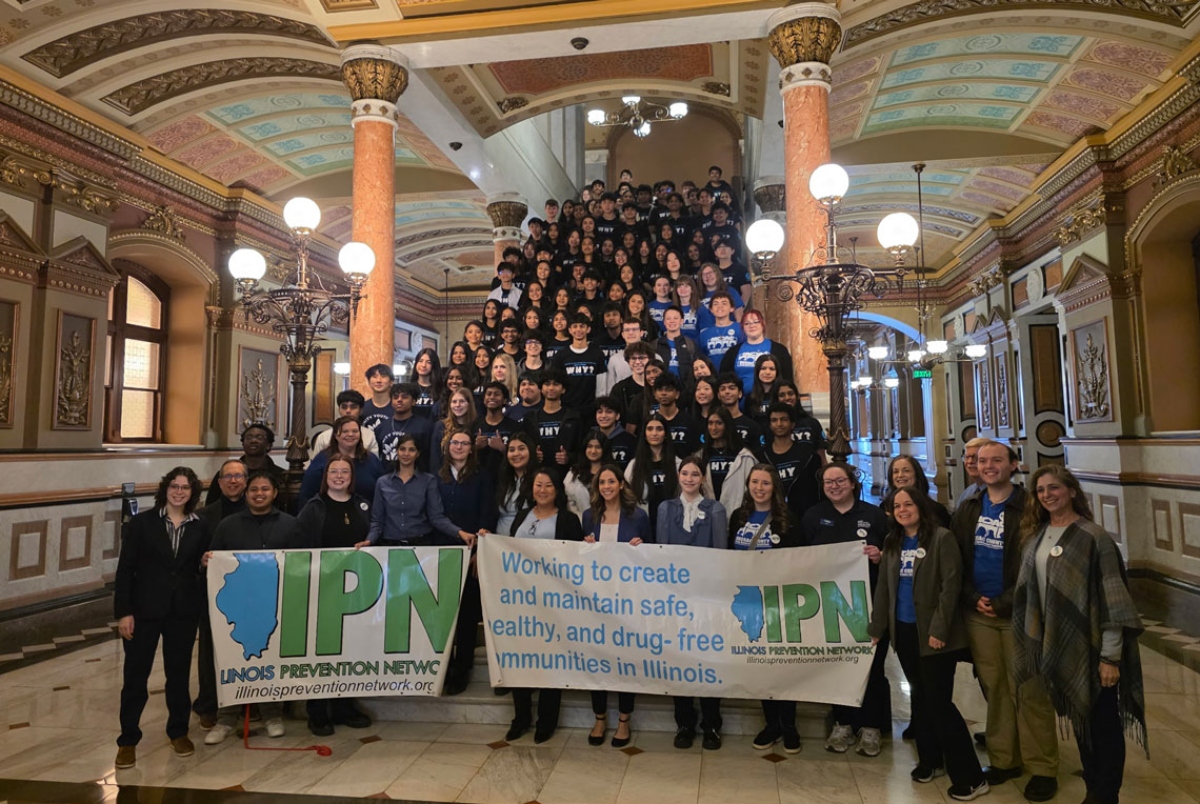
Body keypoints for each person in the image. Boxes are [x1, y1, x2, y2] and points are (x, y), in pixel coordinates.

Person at [1012, 465, 1146, 804]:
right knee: (1080, 721)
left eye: (1054, 487)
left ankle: (1106, 793)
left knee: (1102, 724)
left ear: (1072, 491)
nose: (1047, 495)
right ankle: (1093, 789)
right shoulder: (1037, 536)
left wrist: (1110, 658)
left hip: (1094, 648)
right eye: (1041, 490)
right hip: (1059, 646)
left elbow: (1112, 600)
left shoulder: (1093, 537)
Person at [951, 440, 1059, 800]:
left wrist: (1004, 601)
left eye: (997, 460)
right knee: (994, 688)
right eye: (982, 461)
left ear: (1014, 465)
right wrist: (972, 598)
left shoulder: (1030, 506)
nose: (988, 466)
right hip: (979, 612)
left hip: (1020, 611)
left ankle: (1042, 766)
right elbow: (957, 559)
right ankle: (1004, 759)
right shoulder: (969, 506)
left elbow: (1039, 563)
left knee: (1028, 689)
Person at [869, 487, 987, 801]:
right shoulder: (893, 542)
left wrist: (940, 629)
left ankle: (971, 776)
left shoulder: (941, 538)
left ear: (920, 506)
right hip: (904, 632)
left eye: (908, 504)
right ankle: (930, 760)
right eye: (897, 505)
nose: (903, 509)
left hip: (934, 635)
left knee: (939, 702)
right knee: (920, 698)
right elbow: (884, 589)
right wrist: (878, 626)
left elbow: (951, 587)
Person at [113, 467, 209, 770]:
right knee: (135, 677)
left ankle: (178, 731)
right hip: (144, 610)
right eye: (174, 486)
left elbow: (198, 566)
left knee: (178, 675)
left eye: (185, 488)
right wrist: (124, 612)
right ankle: (128, 739)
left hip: (182, 611)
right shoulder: (142, 524)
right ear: (165, 489)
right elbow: (125, 569)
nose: (179, 492)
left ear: (193, 493)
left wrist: (206, 562)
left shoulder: (200, 526)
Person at [204, 470, 302, 744]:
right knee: (231, 660)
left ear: (274, 494)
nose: (259, 494)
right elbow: (214, 560)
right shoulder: (228, 525)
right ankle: (226, 718)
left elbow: (300, 566)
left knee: (270, 659)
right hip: (237, 609)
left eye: (265, 490)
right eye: (254, 490)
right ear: (246, 494)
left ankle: (272, 714)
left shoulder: (290, 525)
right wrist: (208, 562)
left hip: (273, 607)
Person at [801, 463, 890, 758]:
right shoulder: (814, 516)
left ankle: (872, 726)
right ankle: (843, 722)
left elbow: (894, 555)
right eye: (828, 482)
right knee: (837, 665)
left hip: (868, 606)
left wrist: (880, 556)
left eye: (840, 480)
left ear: (852, 483)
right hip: (827, 605)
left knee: (872, 667)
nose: (834, 486)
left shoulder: (874, 515)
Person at [503, 468, 585, 742]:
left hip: (553, 605)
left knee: (550, 661)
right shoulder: (521, 517)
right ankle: (521, 718)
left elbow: (576, 561)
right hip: (520, 603)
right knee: (520, 661)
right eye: (538, 485)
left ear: (557, 491)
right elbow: (507, 551)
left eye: (548, 485)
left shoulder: (569, 520)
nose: (542, 490)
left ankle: (546, 721)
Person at [295, 457, 374, 736]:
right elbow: (299, 548)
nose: (339, 476)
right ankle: (317, 710)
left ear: (352, 476)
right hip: (322, 589)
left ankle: (344, 706)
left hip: (355, 591)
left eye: (345, 472)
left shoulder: (363, 505)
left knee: (349, 649)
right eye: (334, 471)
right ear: (325, 475)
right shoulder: (313, 508)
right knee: (322, 650)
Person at [729, 464, 803, 754]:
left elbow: (800, 561)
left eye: (766, 483)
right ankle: (771, 723)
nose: (759, 488)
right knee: (760, 665)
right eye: (755, 482)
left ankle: (789, 724)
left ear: (775, 488)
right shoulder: (739, 517)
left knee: (782, 666)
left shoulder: (788, 520)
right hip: (747, 603)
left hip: (779, 602)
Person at [658, 457, 729, 751]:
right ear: (678, 476)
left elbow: (720, 555)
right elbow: (662, 553)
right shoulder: (665, 508)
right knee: (679, 661)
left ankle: (711, 724)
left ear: (702, 478)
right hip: (675, 599)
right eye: (685, 473)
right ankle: (684, 723)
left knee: (707, 661)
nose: (689, 478)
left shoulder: (715, 509)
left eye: (695, 474)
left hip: (706, 598)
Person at [582, 465, 651, 747]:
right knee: (597, 660)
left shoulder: (639, 516)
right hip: (596, 600)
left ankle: (624, 720)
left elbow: (654, 553)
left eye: (612, 481)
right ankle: (599, 718)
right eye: (602, 482)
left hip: (628, 601)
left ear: (622, 484)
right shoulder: (589, 516)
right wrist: (584, 546)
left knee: (624, 662)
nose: (607, 486)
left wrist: (641, 546)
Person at [440, 430, 499, 695]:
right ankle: (442, 667)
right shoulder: (436, 476)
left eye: (464, 443)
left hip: (472, 551)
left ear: (471, 448)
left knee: (466, 615)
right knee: (444, 613)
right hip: (443, 553)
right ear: (447, 446)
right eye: (455, 442)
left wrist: (479, 550)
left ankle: (462, 669)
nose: (459, 447)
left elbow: (488, 512)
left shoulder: (481, 476)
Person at [192, 459, 246, 729]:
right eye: (228, 477)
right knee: (209, 649)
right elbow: (193, 555)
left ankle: (248, 702)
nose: (233, 481)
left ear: (245, 481)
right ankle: (208, 702)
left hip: (249, 595)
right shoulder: (204, 516)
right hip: (212, 593)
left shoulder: (257, 510)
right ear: (220, 482)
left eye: (238, 476)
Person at [364, 435, 476, 548]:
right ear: (397, 451)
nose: (406, 454)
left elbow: (437, 517)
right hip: (390, 546)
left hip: (421, 546)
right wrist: (369, 541)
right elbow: (377, 521)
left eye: (411, 450)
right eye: (402, 449)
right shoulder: (382, 482)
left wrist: (460, 533)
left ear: (418, 454)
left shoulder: (428, 481)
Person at [298, 416, 386, 508]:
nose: (350, 434)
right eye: (345, 431)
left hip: (365, 516)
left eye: (355, 431)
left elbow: (382, 491)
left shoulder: (371, 460)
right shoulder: (322, 459)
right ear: (336, 434)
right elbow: (307, 493)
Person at [764, 403, 822, 522]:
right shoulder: (762, 456)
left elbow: (817, 491)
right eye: (774, 420)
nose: (779, 424)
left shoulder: (808, 455)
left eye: (784, 419)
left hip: (804, 517)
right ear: (770, 425)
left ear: (792, 424)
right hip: (771, 517)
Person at [624, 414, 681, 532]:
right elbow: (626, 499)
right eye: (650, 429)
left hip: (673, 525)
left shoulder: (677, 464)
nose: (654, 433)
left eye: (659, 429)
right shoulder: (633, 466)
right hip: (643, 526)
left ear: (665, 434)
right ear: (644, 434)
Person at [204, 422, 284, 504]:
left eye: (259, 437)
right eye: (249, 437)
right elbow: (211, 505)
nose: (253, 440)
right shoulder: (226, 474)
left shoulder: (280, 475)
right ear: (243, 443)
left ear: (268, 445)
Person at [720, 309, 794, 395]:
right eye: (747, 323)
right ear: (742, 327)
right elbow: (724, 378)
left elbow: (787, 378)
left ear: (763, 324)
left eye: (756, 322)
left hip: (772, 399)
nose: (752, 326)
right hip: (741, 401)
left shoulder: (779, 350)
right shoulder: (732, 352)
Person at [700, 408, 758, 515]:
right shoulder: (702, 455)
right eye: (710, 423)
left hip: (737, 515)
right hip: (708, 516)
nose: (713, 428)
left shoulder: (744, 456)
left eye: (719, 423)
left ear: (727, 425)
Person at [377, 382, 434, 469]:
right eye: (395, 397)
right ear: (391, 402)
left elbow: (430, 457)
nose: (399, 400)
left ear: (414, 402)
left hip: (417, 478)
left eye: (404, 397)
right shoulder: (381, 427)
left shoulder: (424, 427)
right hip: (387, 479)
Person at [883, 454, 951, 527]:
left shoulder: (937, 510)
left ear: (917, 475)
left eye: (906, 471)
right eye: (895, 472)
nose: (900, 475)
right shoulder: (884, 507)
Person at [493, 431, 539, 536]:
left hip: (530, 542)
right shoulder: (502, 479)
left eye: (521, 448)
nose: (516, 454)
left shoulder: (539, 479)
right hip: (501, 543)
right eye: (511, 450)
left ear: (530, 451)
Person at [310, 390, 380, 457]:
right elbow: (316, 465)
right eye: (344, 407)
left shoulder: (369, 436)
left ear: (360, 411)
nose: (348, 411)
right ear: (339, 410)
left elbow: (374, 465)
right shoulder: (324, 438)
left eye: (353, 407)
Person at [564, 429, 611, 520]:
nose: (593, 451)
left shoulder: (613, 472)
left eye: (598, 447)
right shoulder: (573, 473)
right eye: (589, 446)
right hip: (580, 522)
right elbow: (570, 502)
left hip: (608, 521)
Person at [430, 387, 479, 473]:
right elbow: (435, 459)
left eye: (462, 401)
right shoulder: (440, 426)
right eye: (454, 402)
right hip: (444, 477)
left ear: (469, 404)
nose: (457, 405)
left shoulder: (477, 426)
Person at [360, 364, 396, 434]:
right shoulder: (362, 408)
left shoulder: (397, 407)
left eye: (383, 376)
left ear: (391, 382)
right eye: (374, 377)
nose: (379, 380)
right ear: (368, 382)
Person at [958, 437, 988, 507]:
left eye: (976, 457)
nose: (970, 461)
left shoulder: (1002, 493)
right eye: (967, 457)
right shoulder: (967, 493)